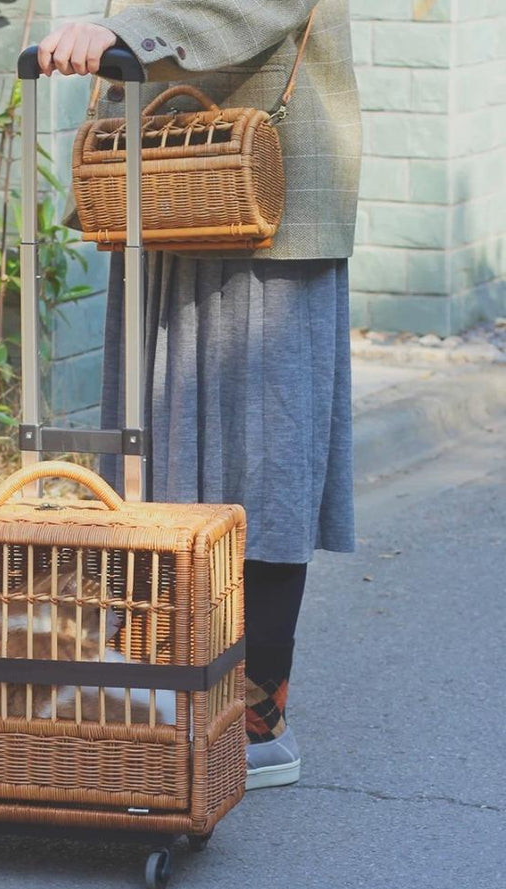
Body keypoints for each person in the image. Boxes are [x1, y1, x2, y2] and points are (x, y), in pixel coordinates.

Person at [37, 1, 361, 789]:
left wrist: (127, 34)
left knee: (270, 458)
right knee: (150, 452)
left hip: (269, 193)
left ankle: (256, 715)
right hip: (167, 179)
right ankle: (160, 690)